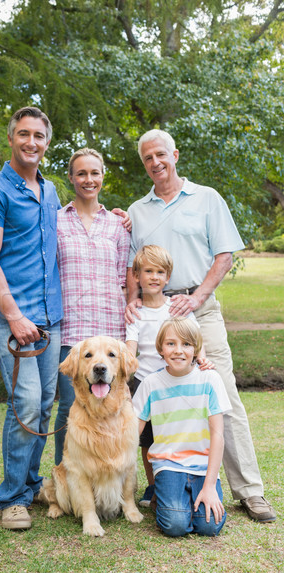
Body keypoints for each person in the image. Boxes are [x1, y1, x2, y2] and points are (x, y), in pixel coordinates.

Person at [126, 129, 276, 522]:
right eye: (147, 158)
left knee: (221, 393)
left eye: (161, 154)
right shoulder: (137, 210)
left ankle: (249, 491)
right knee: (156, 395)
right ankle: (161, 478)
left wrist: (197, 298)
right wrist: (132, 301)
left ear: (174, 154)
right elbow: (130, 267)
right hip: (153, 311)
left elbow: (224, 256)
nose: (155, 162)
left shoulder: (206, 198)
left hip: (199, 309)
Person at [0, 106, 63, 531]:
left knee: (44, 404)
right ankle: (12, 497)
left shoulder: (51, 190)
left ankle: (31, 483)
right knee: (24, 402)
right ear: (11, 138)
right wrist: (13, 315)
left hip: (50, 316)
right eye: (23, 134)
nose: (31, 142)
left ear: (47, 142)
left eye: (39, 136)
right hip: (13, 318)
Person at [54, 148, 131, 465]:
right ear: (71, 178)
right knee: (69, 406)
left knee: (116, 404)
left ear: (102, 177)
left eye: (94, 173)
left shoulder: (118, 225)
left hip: (112, 331)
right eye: (81, 173)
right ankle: (68, 474)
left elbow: (123, 280)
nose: (88, 179)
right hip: (71, 333)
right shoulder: (55, 222)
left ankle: (114, 473)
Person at [125, 244, 213, 508]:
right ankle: (152, 486)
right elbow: (131, 349)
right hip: (143, 382)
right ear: (137, 276)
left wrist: (202, 358)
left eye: (160, 272)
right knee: (147, 440)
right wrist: (124, 370)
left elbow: (194, 338)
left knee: (173, 433)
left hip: (176, 381)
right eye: (148, 271)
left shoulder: (175, 307)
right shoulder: (135, 312)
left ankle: (178, 476)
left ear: (168, 276)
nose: (154, 277)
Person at [132, 318, 231, 537]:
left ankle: (188, 497)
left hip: (203, 466)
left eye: (186, 344)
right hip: (169, 465)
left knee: (209, 526)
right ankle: (165, 496)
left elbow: (218, 436)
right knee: (175, 525)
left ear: (196, 348)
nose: (178, 351)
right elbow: (132, 431)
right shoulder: (151, 383)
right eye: (171, 344)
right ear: (160, 348)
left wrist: (210, 486)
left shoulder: (210, 379)